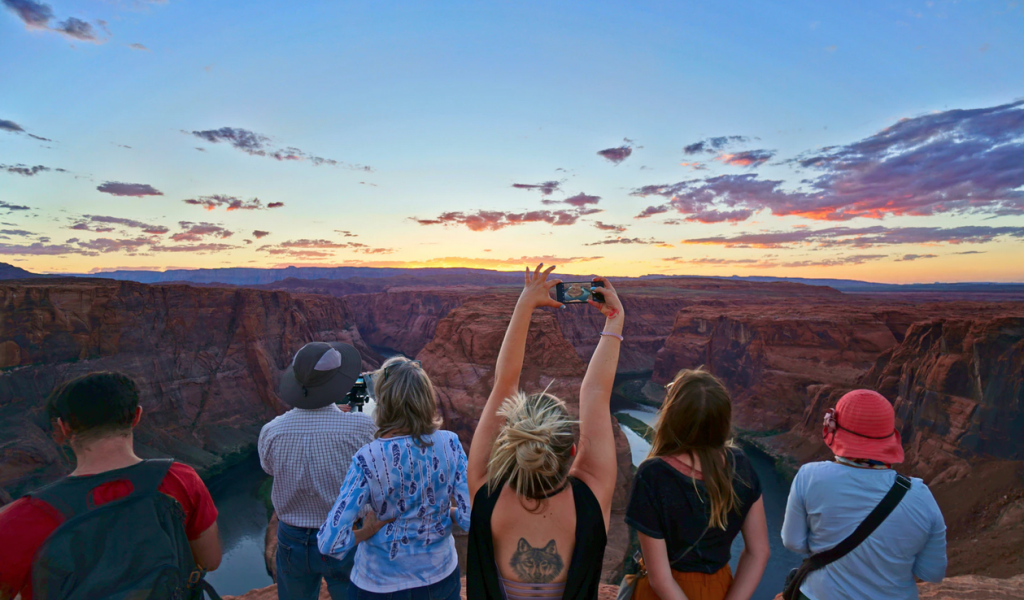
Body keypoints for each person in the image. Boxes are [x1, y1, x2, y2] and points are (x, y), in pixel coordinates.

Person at [466, 265, 623, 600]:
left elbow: (504, 385)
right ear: (572, 452)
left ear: (511, 447)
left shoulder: (485, 492)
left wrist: (525, 304)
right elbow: (595, 392)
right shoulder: (591, 497)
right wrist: (614, 321)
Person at [0, 372, 221, 600]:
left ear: (64, 428)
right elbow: (210, 561)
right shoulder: (181, 479)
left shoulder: (21, 518)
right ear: (136, 416)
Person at [317, 356, 471, 600]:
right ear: (426, 398)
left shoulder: (367, 458)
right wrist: (444, 511)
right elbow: (469, 517)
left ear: (384, 401)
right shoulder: (450, 443)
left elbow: (329, 542)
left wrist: (365, 533)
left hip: (378, 585)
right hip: (440, 580)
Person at [781, 389, 946, 600]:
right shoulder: (921, 495)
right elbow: (932, 573)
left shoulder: (810, 476)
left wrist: (828, 543)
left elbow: (792, 542)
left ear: (835, 433)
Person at [626, 369, 769, 600]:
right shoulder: (740, 464)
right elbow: (759, 552)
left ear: (673, 416)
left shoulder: (653, 474)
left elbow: (660, 579)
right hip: (719, 588)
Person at [259, 341, 378, 600]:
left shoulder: (271, 431)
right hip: (344, 534)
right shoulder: (360, 427)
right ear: (336, 383)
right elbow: (376, 468)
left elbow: (268, 468)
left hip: (291, 539)